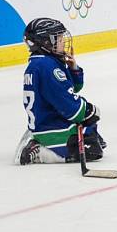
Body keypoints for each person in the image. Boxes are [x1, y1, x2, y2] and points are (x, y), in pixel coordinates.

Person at [15, 18, 105, 165]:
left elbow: (69, 89)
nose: (63, 41)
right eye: (59, 38)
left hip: (46, 123)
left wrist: (73, 69)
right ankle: (41, 152)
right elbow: (69, 106)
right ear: (45, 42)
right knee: (92, 148)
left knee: (93, 134)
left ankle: (42, 142)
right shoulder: (47, 66)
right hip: (51, 129)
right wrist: (86, 110)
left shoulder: (42, 62)